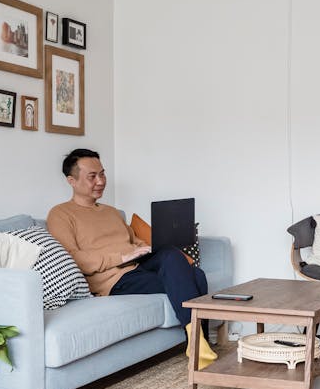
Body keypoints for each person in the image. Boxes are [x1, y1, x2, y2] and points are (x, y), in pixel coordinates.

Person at [47, 149, 216, 367]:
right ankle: (199, 344)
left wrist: (146, 248)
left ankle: (197, 345)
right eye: (92, 176)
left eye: (102, 174)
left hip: (137, 265)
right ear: (71, 180)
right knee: (196, 276)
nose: (100, 181)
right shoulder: (61, 214)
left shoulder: (111, 212)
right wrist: (121, 256)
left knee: (171, 254)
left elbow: (132, 241)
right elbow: (72, 258)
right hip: (114, 280)